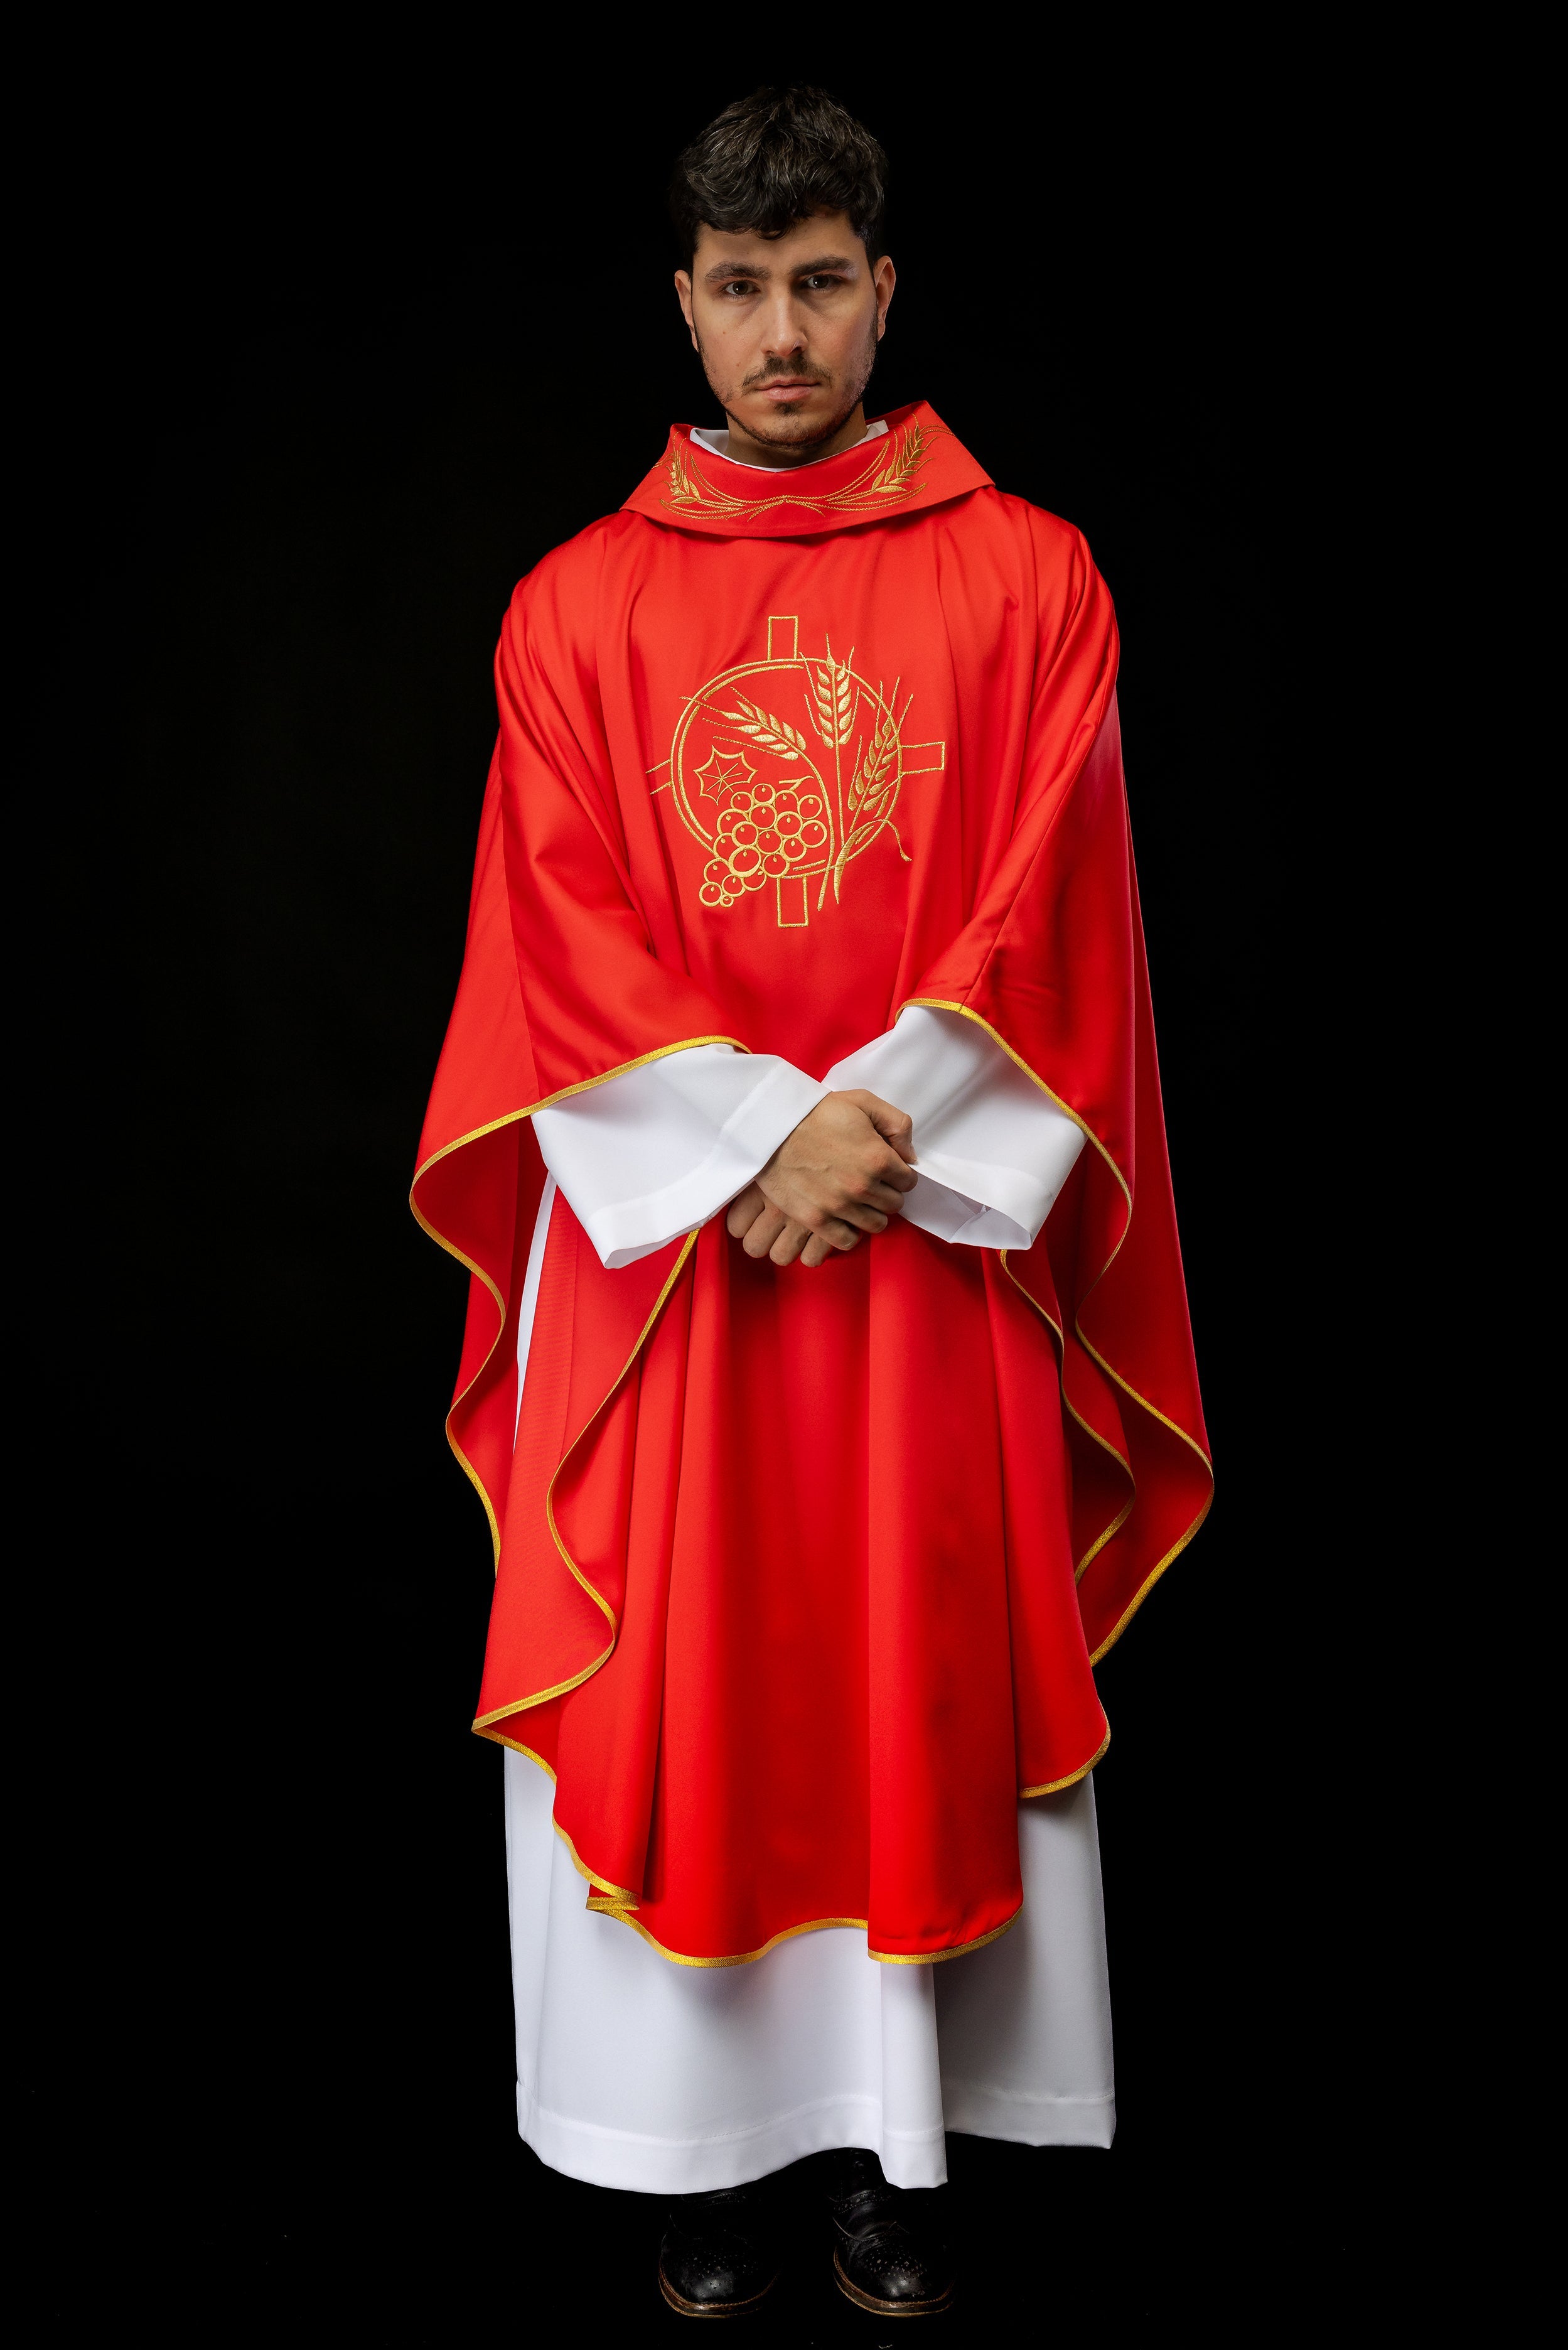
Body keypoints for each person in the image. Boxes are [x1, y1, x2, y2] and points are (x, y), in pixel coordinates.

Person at [412, 84, 1211, 2323]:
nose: (784, 332)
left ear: (884, 292)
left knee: (905, 1675)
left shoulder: (1030, 573)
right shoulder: (573, 610)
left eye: (823, 282)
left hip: (920, 1242)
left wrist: (868, 1139)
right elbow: (552, 926)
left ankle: (892, 2158)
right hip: (685, 1273)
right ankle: (695, 2157)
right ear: (684, 304)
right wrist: (755, 1144)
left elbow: (1056, 890)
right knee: (693, 1674)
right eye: (742, 288)